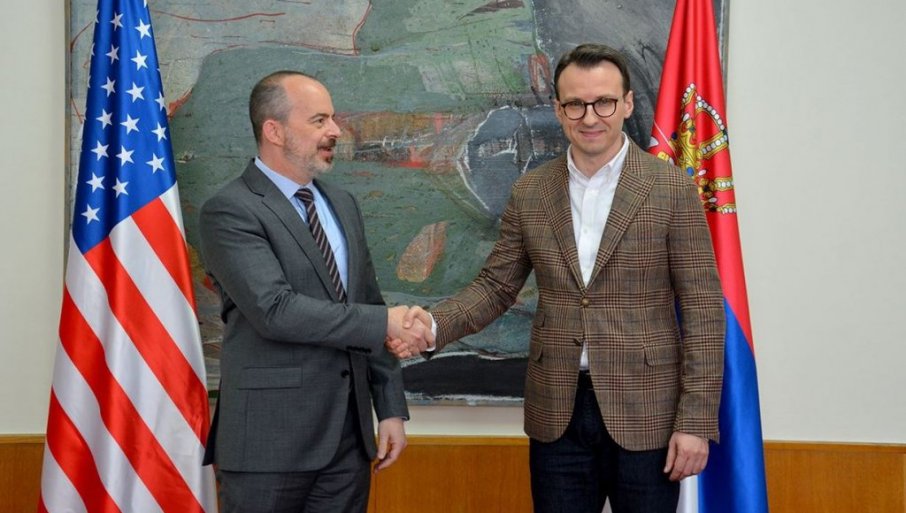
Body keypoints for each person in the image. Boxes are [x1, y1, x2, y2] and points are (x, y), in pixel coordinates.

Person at [396, 44, 725, 513]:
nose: (590, 117)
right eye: (575, 104)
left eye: (604, 102)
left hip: (648, 415)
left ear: (627, 104)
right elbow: (496, 286)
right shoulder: (531, 191)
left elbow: (703, 310)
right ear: (558, 109)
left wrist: (694, 420)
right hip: (557, 414)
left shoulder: (671, 188)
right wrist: (431, 325)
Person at [199, 70, 433, 513]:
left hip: (347, 443)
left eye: (333, 118)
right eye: (319, 120)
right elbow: (275, 310)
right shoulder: (230, 211)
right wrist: (385, 322)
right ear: (274, 131)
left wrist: (389, 408)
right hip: (267, 445)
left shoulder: (342, 204)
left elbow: (367, 304)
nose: (335, 131)